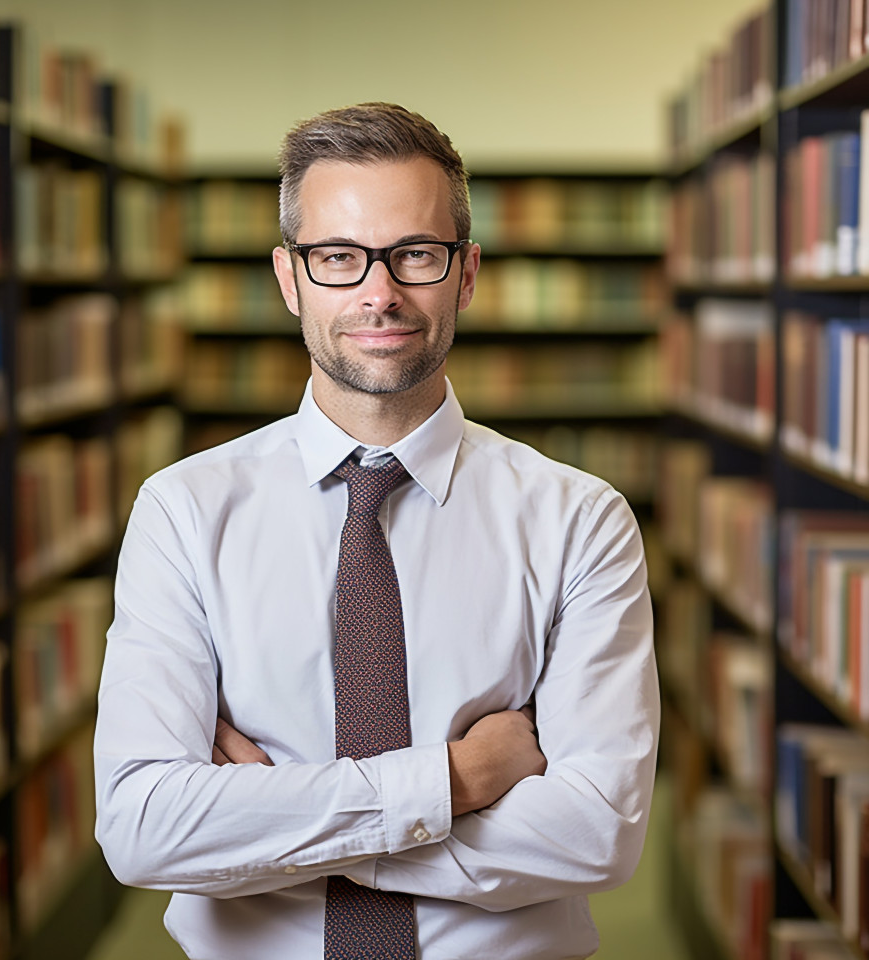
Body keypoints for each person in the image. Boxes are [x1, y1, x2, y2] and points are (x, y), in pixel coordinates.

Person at [94, 102, 660, 960]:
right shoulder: (183, 512)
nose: (379, 293)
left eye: (416, 254)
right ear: (289, 278)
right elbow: (144, 828)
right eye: (338, 257)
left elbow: (596, 835)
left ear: (466, 274)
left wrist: (277, 829)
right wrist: (456, 781)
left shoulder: (581, 521)